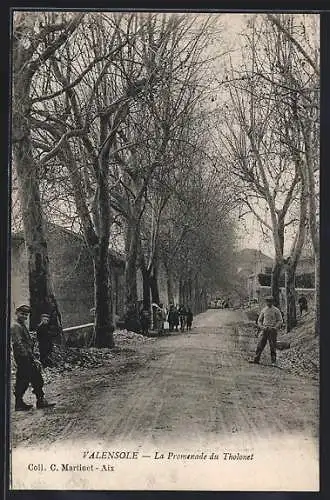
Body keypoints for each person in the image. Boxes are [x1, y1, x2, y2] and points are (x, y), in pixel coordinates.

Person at [11, 305, 56, 411]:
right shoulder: (15, 326)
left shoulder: (21, 325)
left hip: (27, 356)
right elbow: (18, 343)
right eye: (22, 314)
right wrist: (27, 356)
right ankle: (21, 403)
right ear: (16, 313)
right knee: (25, 379)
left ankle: (37, 400)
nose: (24, 316)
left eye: (26, 315)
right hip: (23, 357)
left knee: (34, 378)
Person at [250, 296, 283, 367]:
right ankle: (256, 359)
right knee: (260, 345)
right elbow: (259, 320)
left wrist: (275, 327)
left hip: (272, 330)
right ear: (266, 302)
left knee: (273, 346)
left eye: (270, 301)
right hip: (264, 329)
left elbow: (280, 320)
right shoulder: (264, 310)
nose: (269, 303)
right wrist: (262, 327)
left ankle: (273, 362)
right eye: (267, 301)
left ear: (273, 302)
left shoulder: (276, 310)